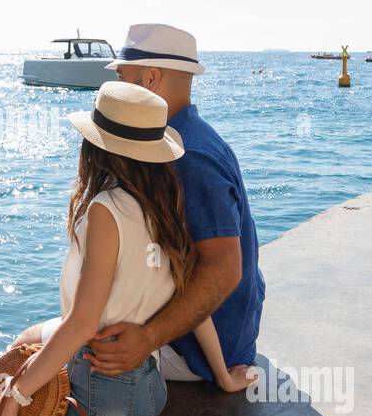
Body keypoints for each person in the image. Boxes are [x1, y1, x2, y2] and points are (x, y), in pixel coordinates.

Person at [0, 81, 245, 416]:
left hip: (100, 407)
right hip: (151, 396)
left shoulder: (107, 210)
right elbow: (193, 302)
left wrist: (16, 396)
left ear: (96, 146)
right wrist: (223, 376)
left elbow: (83, 323)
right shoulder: (169, 208)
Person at [89, 23, 265, 387]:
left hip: (193, 354)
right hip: (221, 335)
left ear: (151, 78)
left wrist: (148, 338)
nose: (114, 88)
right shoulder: (185, 138)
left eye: (123, 78)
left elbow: (223, 270)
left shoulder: (187, 156)